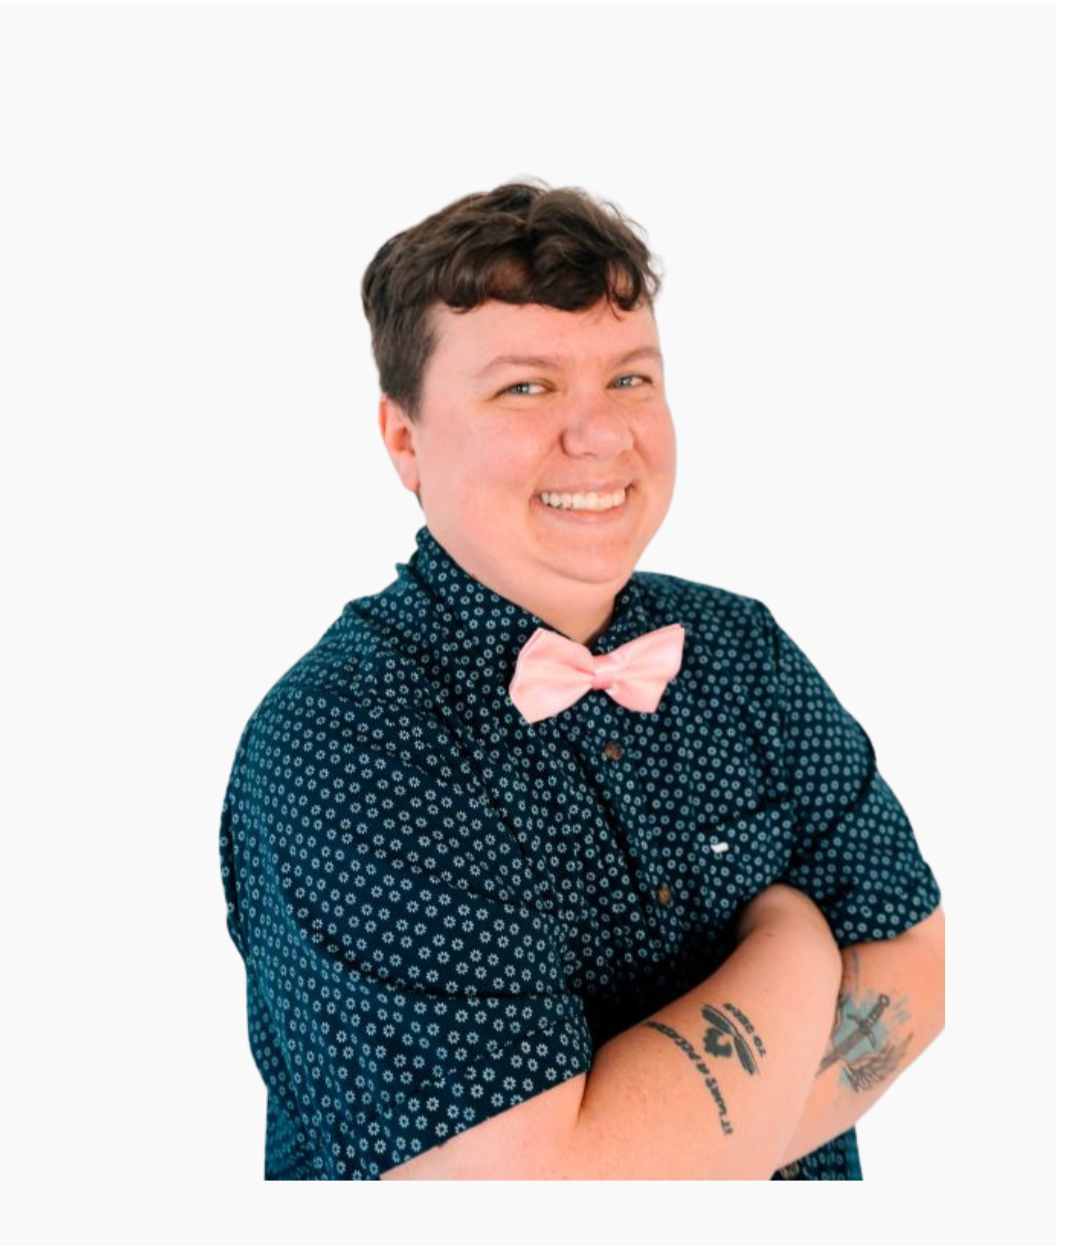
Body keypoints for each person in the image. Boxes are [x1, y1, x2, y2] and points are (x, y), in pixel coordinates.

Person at [218, 181, 944, 1181]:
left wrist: (663, 1154)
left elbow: (919, 969)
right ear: (404, 439)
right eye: (525, 388)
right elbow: (529, 1201)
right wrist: (796, 938)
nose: (599, 435)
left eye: (629, 379)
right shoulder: (341, 743)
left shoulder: (742, 650)